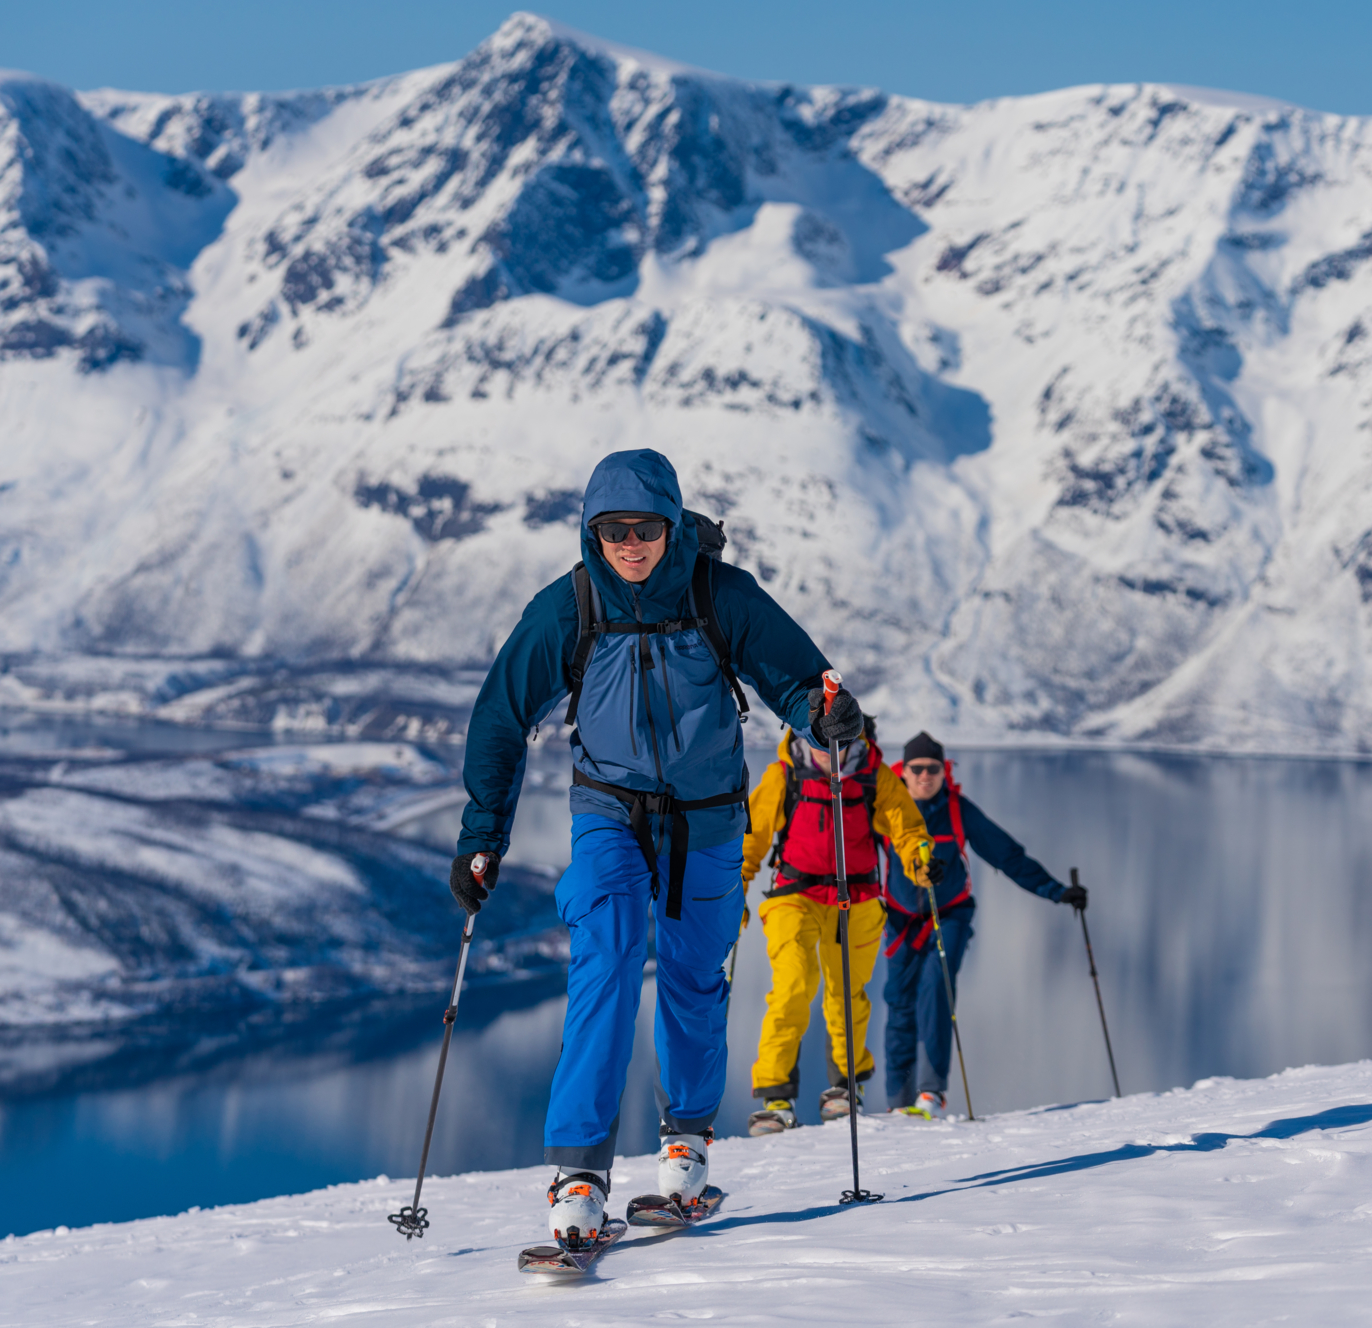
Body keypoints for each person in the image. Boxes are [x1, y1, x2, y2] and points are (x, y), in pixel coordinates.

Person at [448, 448, 865, 1252]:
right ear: (590, 533)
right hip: (608, 809)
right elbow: (502, 716)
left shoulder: (721, 595)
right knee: (602, 962)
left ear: (672, 526)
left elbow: (796, 679)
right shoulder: (568, 607)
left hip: (708, 818)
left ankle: (686, 1144)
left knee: (693, 976)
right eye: (611, 530)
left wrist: (826, 716)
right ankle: (578, 1173)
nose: (629, 543)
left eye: (644, 528)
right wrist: (481, 840)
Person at [741, 718, 939, 1133]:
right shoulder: (784, 775)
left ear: (853, 740)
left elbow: (906, 828)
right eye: (817, 744)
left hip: (858, 899)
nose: (827, 753)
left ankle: (845, 1088)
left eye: (837, 744)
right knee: (793, 985)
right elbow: (751, 836)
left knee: (846, 992)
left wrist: (921, 859)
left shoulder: (874, 776)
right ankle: (776, 1095)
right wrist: (733, 892)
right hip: (794, 893)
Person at [882, 731, 1087, 1117]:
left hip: (951, 916)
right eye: (918, 768)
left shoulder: (958, 810)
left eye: (934, 769)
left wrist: (1057, 891)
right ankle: (897, 1102)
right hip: (900, 920)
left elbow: (1007, 855)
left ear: (945, 772)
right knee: (898, 1004)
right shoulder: (887, 807)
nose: (926, 776)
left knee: (935, 989)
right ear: (903, 771)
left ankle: (930, 1094)